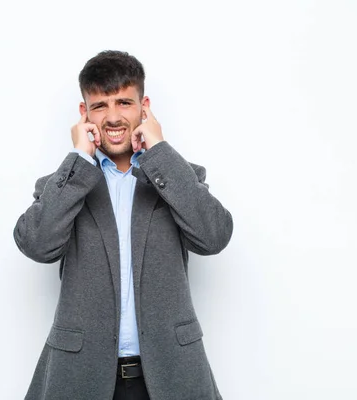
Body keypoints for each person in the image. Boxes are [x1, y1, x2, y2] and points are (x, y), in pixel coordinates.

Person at [13, 50, 233, 400]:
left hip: (169, 374)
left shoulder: (176, 177)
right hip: (81, 375)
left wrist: (158, 150)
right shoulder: (65, 183)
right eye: (100, 106)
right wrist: (80, 159)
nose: (113, 117)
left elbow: (214, 236)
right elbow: (37, 245)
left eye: (124, 103)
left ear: (144, 108)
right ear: (84, 113)